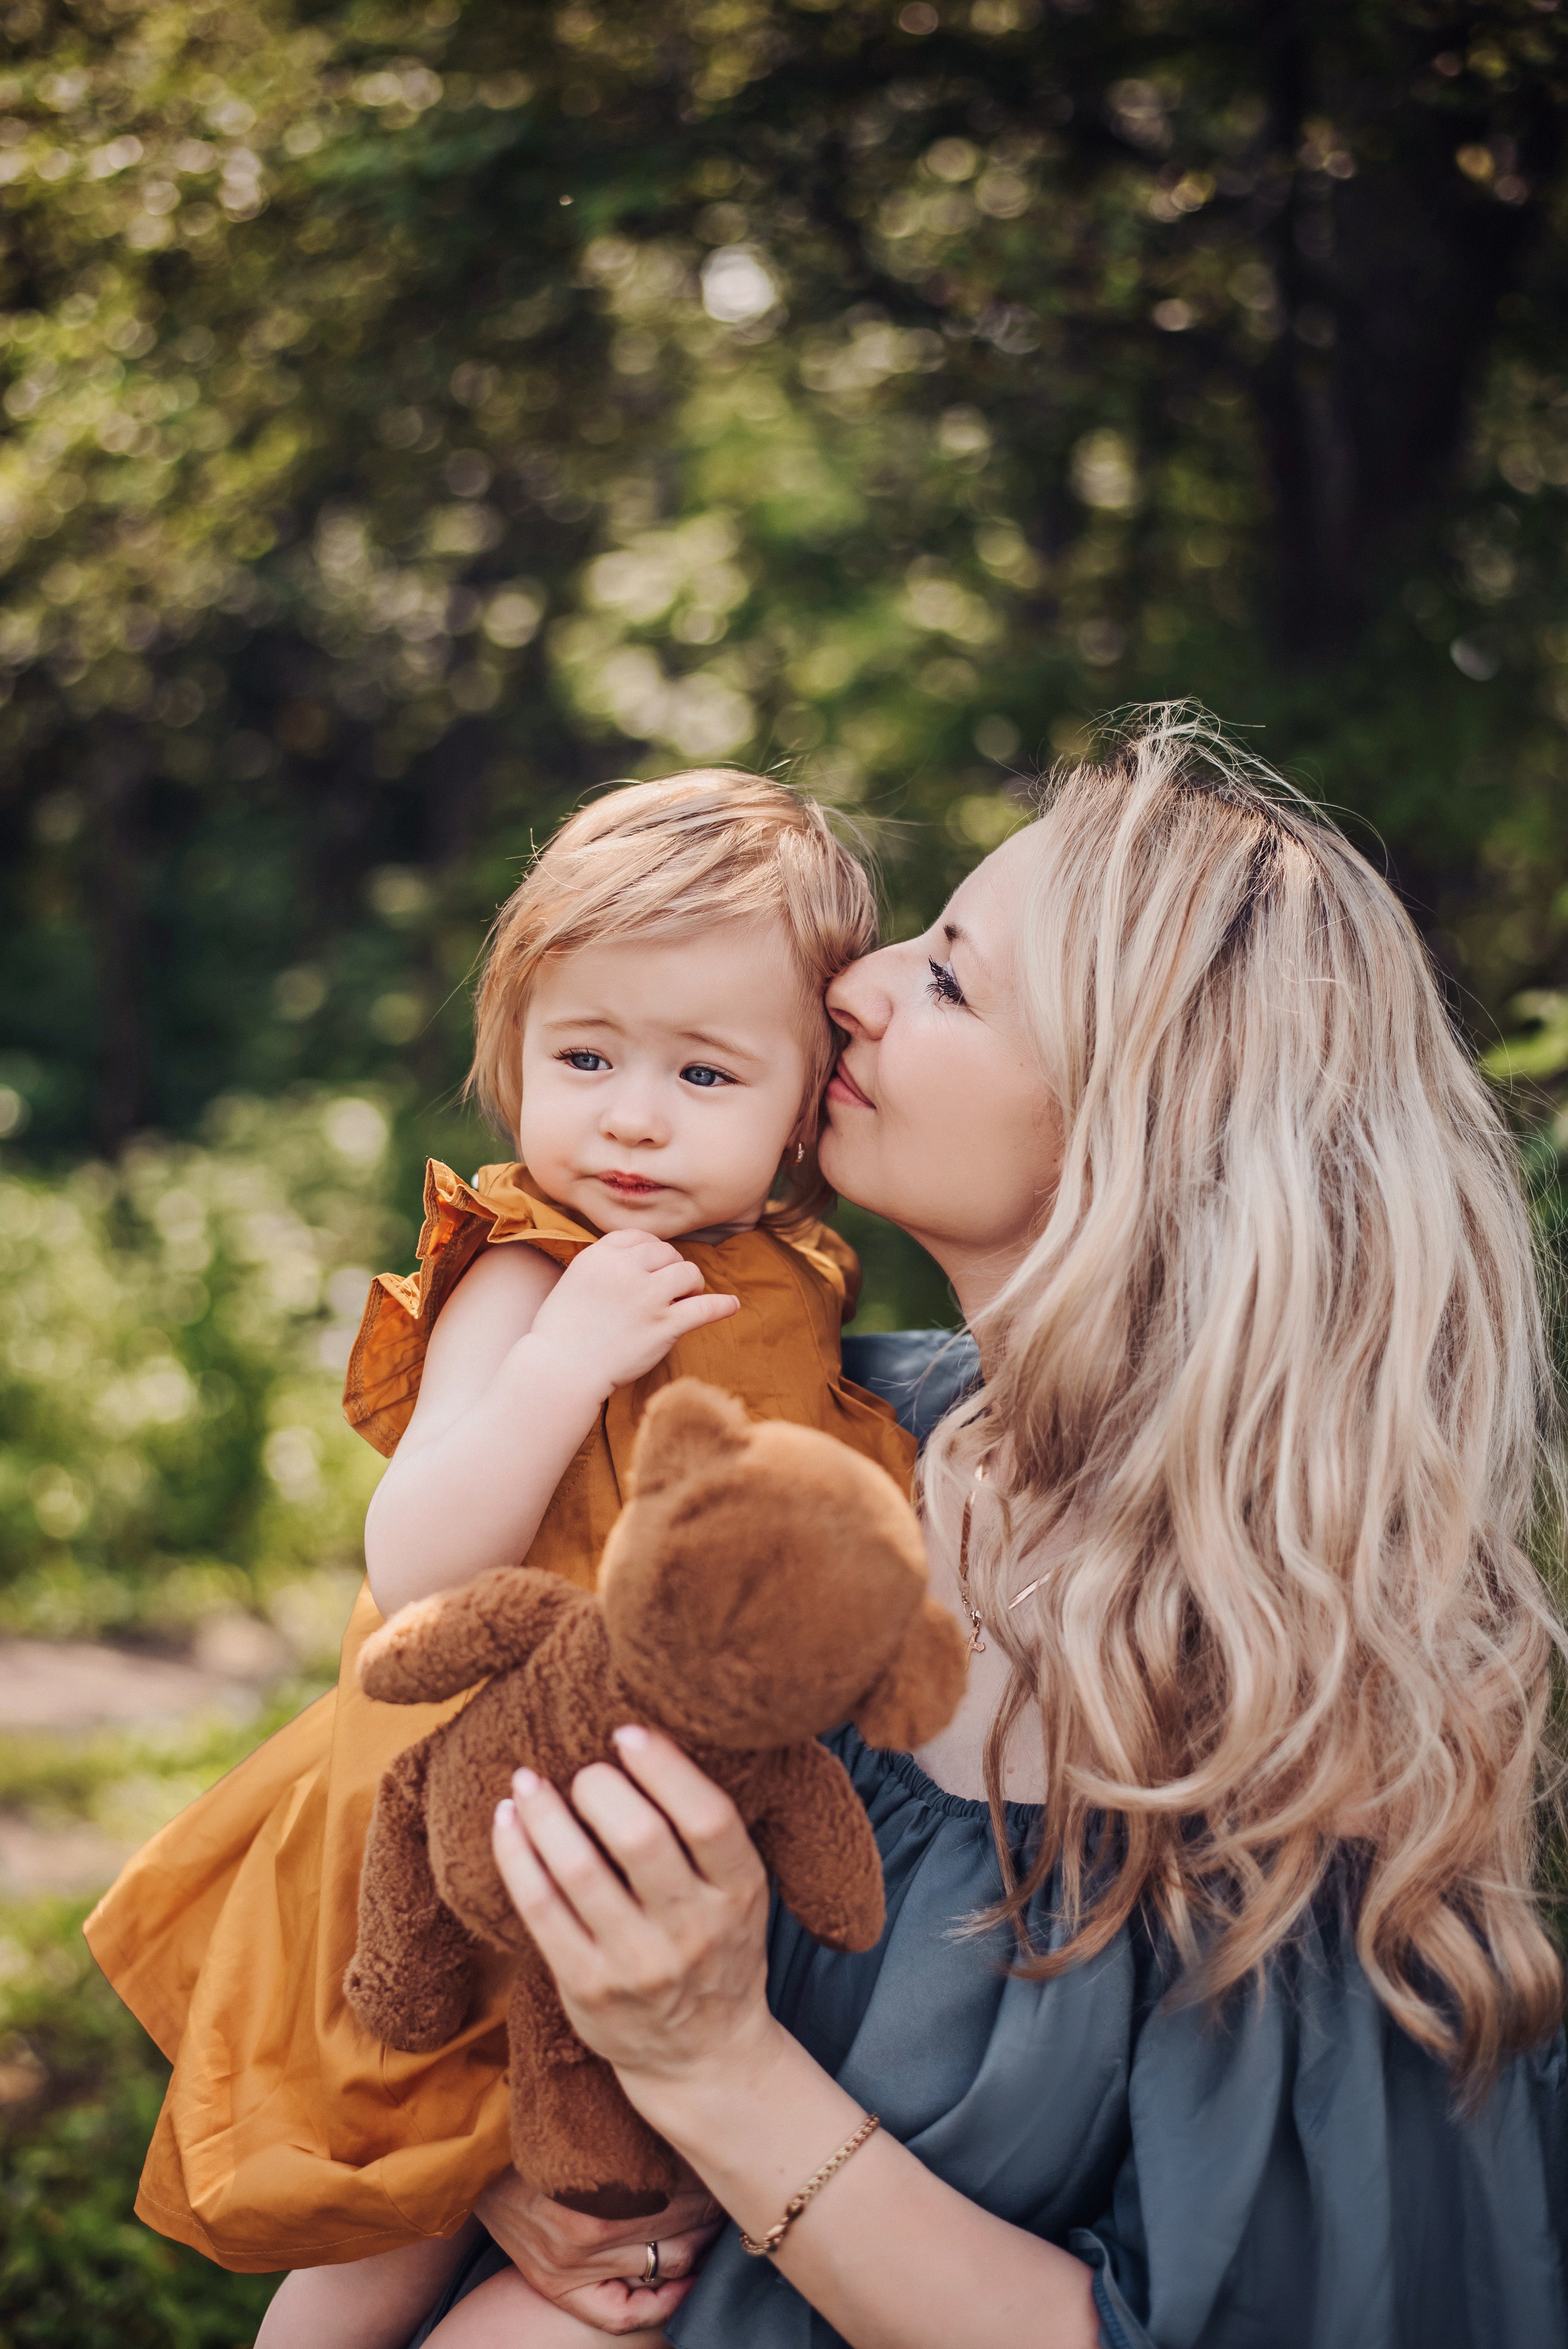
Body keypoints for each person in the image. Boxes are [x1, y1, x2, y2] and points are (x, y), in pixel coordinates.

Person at [409, 711, 1568, 2348]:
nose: (856, 985)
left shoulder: (1293, 1698)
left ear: (1136, 1122)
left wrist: (712, 2070)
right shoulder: (798, 1451)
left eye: (948, 975)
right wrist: (514, 2152)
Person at [82, 773, 917, 2347]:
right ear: (514, 1055)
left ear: (808, 1099)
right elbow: (415, 1553)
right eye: (584, 1056)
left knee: (595, 2186)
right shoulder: (531, 1268)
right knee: (384, 2221)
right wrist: (556, 1366)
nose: (631, 1114)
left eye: (703, 1072)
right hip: (463, 1821)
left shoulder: (789, 1282)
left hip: (643, 1838)